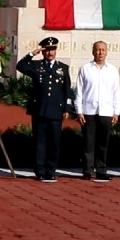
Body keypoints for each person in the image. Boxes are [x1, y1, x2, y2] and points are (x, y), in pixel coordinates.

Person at [16, 36, 74, 182]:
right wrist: (32, 53)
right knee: (39, 142)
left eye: (52, 50)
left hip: (56, 111)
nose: (50, 53)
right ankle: (40, 170)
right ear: (43, 51)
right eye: (47, 50)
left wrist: (67, 108)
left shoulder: (63, 68)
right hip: (40, 110)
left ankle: (51, 170)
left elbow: (67, 90)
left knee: (54, 142)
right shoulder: (36, 66)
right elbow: (20, 66)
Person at [75, 41, 120, 182]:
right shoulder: (85, 69)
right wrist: (79, 111)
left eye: (103, 50)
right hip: (89, 110)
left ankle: (101, 170)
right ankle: (87, 170)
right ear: (93, 52)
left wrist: (116, 111)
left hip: (106, 111)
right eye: (98, 50)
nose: (100, 53)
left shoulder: (112, 70)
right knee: (88, 142)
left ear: (107, 52)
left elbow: (116, 92)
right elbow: (79, 92)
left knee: (103, 143)